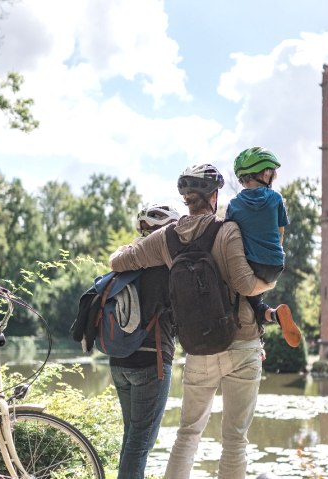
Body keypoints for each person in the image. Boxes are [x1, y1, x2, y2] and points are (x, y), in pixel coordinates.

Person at [109, 163, 275, 479]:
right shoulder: (227, 230)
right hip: (241, 344)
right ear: (214, 195)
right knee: (235, 439)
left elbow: (119, 262)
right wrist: (267, 284)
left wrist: (126, 248)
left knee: (188, 433)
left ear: (185, 198)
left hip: (199, 348)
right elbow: (244, 284)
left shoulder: (165, 238)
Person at [109, 204, 180, 479]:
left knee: (132, 440)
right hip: (153, 362)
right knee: (140, 444)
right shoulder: (166, 270)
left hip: (119, 361)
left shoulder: (125, 264)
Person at [226, 146, 302, 348]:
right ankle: (275, 315)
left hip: (251, 264)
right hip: (275, 265)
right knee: (255, 301)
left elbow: (229, 237)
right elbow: (280, 235)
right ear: (266, 172)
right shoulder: (276, 199)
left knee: (248, 302)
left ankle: (260, 328)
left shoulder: (234, 205)